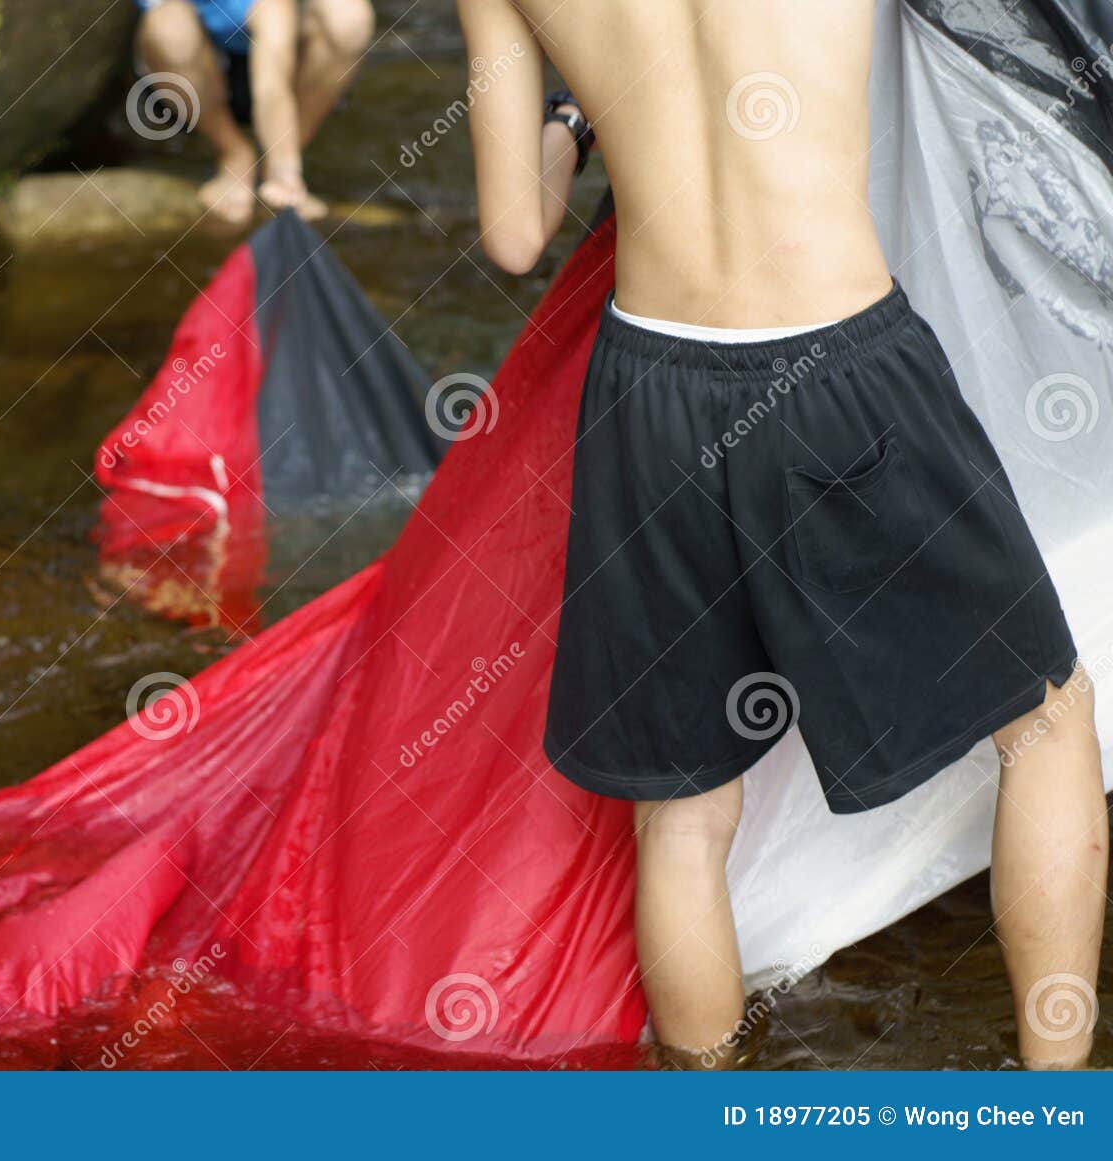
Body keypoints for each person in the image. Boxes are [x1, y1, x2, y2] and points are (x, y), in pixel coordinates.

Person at [458, 0, 1107, 1068]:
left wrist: (578, 120)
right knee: (1045, 720)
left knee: (680, 818)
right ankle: (1053, 1106)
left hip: (649, 387)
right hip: (840, 365)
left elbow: (514, 234)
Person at [134, 0, 374, 223]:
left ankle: (282, 159)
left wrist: (284, 171)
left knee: (348, 17)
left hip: (281, 70)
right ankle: (234, 154)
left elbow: (272, 86)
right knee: (167, 27)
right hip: (195, 78)